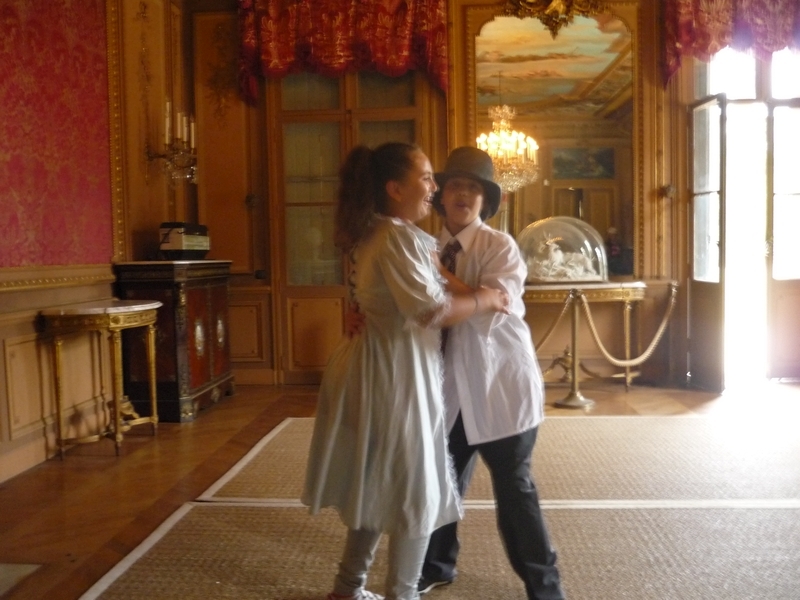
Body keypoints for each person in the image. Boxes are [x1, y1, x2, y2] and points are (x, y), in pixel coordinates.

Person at [301, 142, 510, 600]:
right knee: (418, 487)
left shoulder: (382, 233)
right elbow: (431, 312)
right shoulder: (399, 237)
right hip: (394, 374)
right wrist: (487, 299)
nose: (434, 188)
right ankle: (402, 593)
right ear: (395, 188)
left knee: (380, 480)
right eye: (427, 177)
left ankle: (348, 588)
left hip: (378, 366)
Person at [418, 147, 566, 600]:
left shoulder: (499, 246)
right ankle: (436, 566)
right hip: (447, 387)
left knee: (515, 489)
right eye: (455, 186)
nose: (463, 194)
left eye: (473, 188)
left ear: (484, 200)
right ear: (441, 195)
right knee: (441, 483)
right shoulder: (422, 245)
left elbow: (490, 306)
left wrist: (438, 273)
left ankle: (544, 586)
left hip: (500, 383)